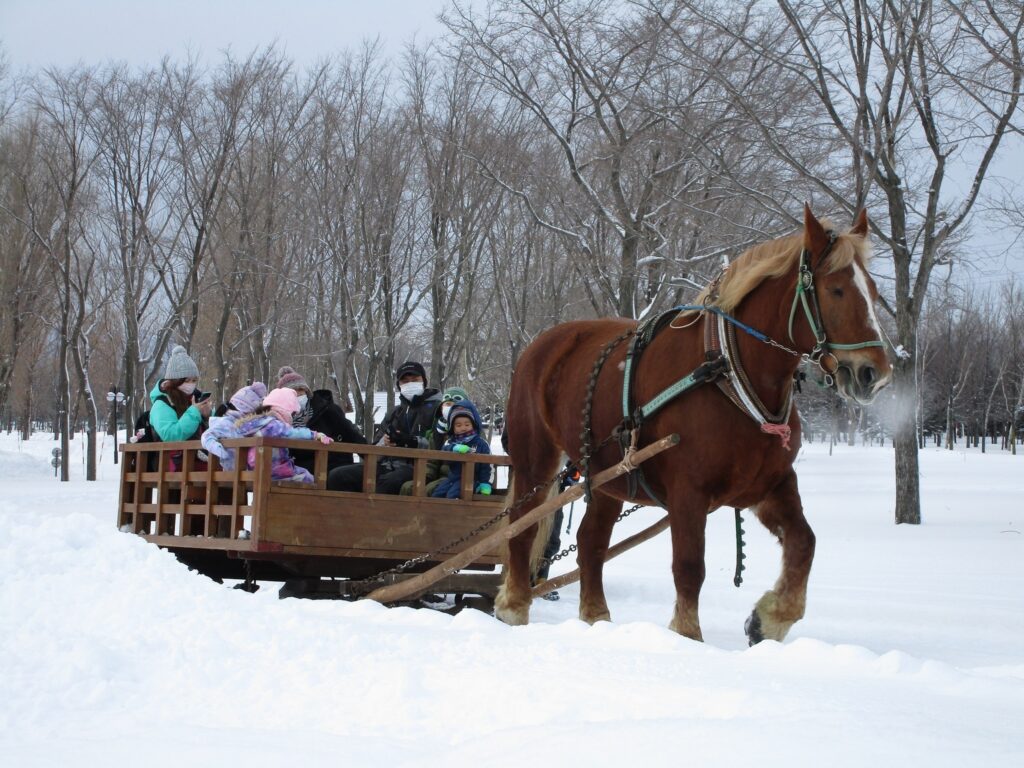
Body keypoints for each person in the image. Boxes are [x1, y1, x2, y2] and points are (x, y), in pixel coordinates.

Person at [327, 361, 441, 494]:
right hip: (386, 464)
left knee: (387, 483)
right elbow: (375, 445)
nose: (410, 384)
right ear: (399, 385)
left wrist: (411, 441)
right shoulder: (395, 412)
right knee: (338, 476)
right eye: (405, 381)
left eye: (415, 380)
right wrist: (386, 442)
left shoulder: (437, 409)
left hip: (417, 466)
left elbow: (440, 443)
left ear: (424, 381)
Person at [275, 366, 367, 473]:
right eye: (293, 391)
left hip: (331, 466)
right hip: (297, 469)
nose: (298, 394)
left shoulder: (327, 410)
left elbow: (352, 434)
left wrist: (375, 461)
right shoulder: (278, 418)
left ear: (307, 391)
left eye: (301, 389)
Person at [233, 387, 333, 483]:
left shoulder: (255, 424)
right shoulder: (274, 425)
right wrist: (315, 435)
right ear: (286, 410)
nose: (293, 417)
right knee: (308, 478)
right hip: (274, 470)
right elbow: (293, 433)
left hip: (253, 470)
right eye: (293, 413)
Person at [399, 385, 469, 496]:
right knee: (409, 487)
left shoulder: (470, 431)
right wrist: (425, 478)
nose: (450, 408)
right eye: (447, 404)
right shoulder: (437, 433)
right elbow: (431, 462)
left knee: (431, 489)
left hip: (459, 478)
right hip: (438, 477)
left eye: (454, 405)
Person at [148, 345, 213, 457]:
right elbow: (171, 436)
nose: (191, 384)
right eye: (187, 380)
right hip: (172, 465)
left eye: (194, 380)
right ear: (175, 381)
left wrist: (207, 417)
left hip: (199, 460)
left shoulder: (196, 398)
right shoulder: (162, 404)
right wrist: (194, 413)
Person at [430, 400, 493, 499]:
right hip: (452, 478)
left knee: (453, 494)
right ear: (453, 427)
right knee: (437, 493)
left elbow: (487, 465)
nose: (463, 428)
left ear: (473, 425)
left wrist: (485, 483)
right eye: (458, 425)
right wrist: (454, 448)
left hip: (472, 479)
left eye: (467, 425)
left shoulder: (480, 443)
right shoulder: (451, 442)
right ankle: (435, 513)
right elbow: (443, 454)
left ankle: (454, 512)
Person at [201, 382, 268, 470]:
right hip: (230, 474)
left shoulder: (249, 427)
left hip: (243, 473)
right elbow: (206, 436)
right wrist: (219, 450)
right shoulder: (226, 423)